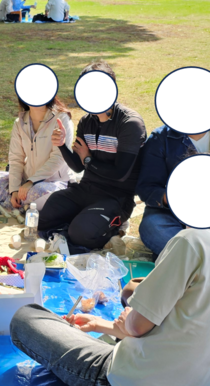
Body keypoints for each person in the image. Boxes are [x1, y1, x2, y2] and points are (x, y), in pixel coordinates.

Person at [11, 169, 210, 386]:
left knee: (26, 317)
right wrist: (102, 325)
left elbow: (137, 327)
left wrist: (128, 323)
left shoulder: (192, 240)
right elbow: (182, 333)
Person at [38, 61, 147, 250]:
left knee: (81, 233)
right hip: (86, 189)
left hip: (117, 197)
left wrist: (88, 159)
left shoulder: (130, 123)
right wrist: (62, 145)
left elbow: (120, 173)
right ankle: (77, 227)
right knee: (47, 214)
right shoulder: (86, 122)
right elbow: (78, 166)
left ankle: (110, 226)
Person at [136, 121, 210, 256]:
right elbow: (148, 187)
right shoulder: (160, 138)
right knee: (153, 226)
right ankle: (204, 257)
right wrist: (178, 199)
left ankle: (194, 257)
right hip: (174, 213)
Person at [0, 94, 74, 211]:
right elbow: (16, 159)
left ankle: (17, 204)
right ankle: (21, 204)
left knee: (37, 192)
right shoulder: (20, 122)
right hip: (25, 181)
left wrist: (31, 181)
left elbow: (58, 158)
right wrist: (14, 190)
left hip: (52, 182)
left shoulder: (61, 119)